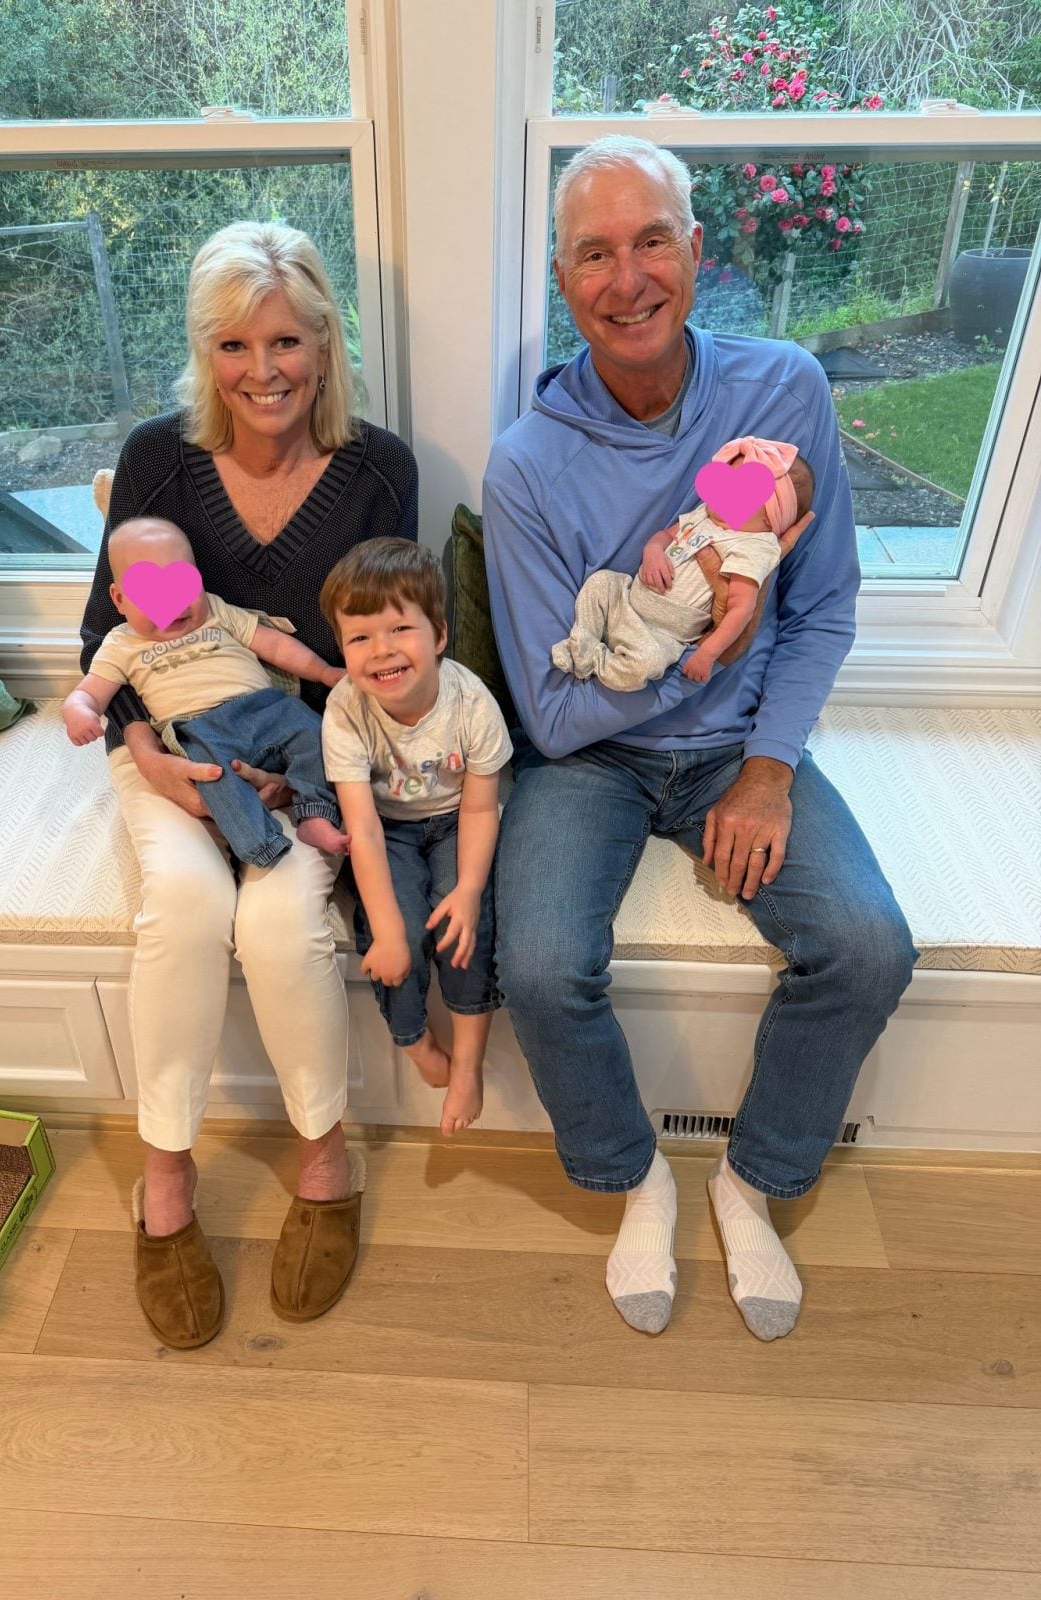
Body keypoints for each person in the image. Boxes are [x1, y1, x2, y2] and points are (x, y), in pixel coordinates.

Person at [483, 135, 915, 1342]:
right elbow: (555, 712)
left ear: (698, 248)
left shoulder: (784, 391)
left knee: (868, 946)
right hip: (593, 764)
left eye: (653, 241)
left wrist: (769, 768)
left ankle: (751, 1180)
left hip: (740, 747)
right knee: (541, 966)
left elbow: (822, 607)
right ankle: (633, 1177)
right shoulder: (527, 465)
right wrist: (706, 642)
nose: (628, 279)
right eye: (595, 254)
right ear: (564, 280)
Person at [79, 221, 417, 1342]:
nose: (262, 371)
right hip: (167, 742)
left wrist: (302, 772)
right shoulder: (157, 459)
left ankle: (327, 1160)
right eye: (233, 345)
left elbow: (381, 650)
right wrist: (156, 764)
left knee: (276, 924)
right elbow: (99, 643)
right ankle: (165, 1175)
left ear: (324, 344)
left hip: (302, 757)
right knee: (183, 905)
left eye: (285, 342)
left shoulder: (380, 468)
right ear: (204, 351)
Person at [320, 539, 511, 1135]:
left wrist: (469, 890)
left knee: (465, 928)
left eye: (400, 629)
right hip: (387, 831)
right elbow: (363, 828)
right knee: (392, 936)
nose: (381, 650)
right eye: (360, 637)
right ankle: (416, 1042)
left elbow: (481, 807)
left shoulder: (472, 703)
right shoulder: (345, 710)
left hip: (459, 820)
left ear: (439, 635)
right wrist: (387, 931)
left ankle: (469, 1063)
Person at [65, 515, 349, 864]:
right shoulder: (121, 644)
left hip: (265, 707)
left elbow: (273, 644)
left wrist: (323, 671)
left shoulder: (216, 610)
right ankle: (260, 845)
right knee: (213, 776)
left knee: (312, 729)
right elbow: (89, 692)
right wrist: (79, 710)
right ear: (120, 598)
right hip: (200, 729)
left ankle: (316, 813)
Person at [553, 437, 813, 689]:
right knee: (601, 581)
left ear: (771, 518)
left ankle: (595, 661)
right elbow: (665, 535)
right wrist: (653, 550)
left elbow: (741, 609)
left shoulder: (754, 547)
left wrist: (708, 653)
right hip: (627, 599)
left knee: (646, 665)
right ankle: (582, 641)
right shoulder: (705, 514)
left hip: (662, 634)